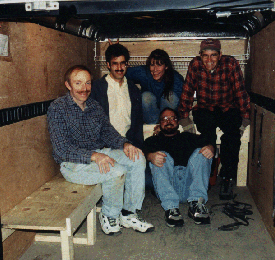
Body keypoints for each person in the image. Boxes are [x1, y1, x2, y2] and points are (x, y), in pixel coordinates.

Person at [47, 65, 154, 236]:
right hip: (74, 164)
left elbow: (108, 132)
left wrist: (125, 144)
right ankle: (109, 214)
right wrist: (94, 156)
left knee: (137, 157)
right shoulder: (58, 108)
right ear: (68, 85)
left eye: (88, 83)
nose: (84, 89)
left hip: (99, 153)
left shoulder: (94, 106)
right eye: (78, 83)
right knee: (116, 170)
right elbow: (62, 149)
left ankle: (128, 213)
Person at [178, 39, 251, 200]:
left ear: (220, 55)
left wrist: (244, 118)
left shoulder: (231, 64)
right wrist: (184, 118)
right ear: (200, 55)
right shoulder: (195, 65)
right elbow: (187, 91)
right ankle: (207, 173)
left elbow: (240, 92)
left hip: (227, 108)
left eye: (213, 55)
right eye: (205, 56)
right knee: (207, 136)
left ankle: (226, 178)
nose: (209, 60)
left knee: (232, 136)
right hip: (204, 108)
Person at [143, 108, 214, 227]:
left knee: (202, 152)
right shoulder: (152, 140)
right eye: (164, 119)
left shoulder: (188, 137)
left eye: (172, 118)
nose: (169, 121)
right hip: (168, 186)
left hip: (190, 185)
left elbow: (208, 142)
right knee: (159, 155)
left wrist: (211, 148)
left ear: (178, 122)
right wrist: (150, 156)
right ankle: (171, 209)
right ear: (159, 124)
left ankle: (196, 205)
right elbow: (143, 154)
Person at [91, 43, 143, 149]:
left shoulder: (134, 90)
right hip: (104, 146)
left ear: (127, 64)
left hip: (128, 145)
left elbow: (137, 125)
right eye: (115, 64)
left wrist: (139, 148)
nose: (119, 68)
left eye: (122, 63)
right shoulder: (96, 88)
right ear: (108, 65)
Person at [126, 49, 185, 125]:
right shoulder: (144, 73)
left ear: (166, 66)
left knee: (171, 97)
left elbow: (183, 103)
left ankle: (165, 124)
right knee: (145, 97)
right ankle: (153, 126)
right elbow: (123, 72)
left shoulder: (176, 79)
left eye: (159, 65)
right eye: (152, 65)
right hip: (151, 117)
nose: (155, 69)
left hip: (168, 118)